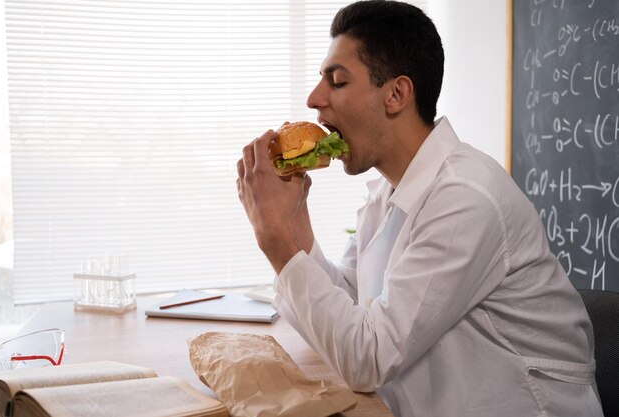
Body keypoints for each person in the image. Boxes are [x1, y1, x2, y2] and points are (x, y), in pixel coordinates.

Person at [236, 1, 603, 416]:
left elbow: (366, 360)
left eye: (336, 81)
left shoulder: (465, 197)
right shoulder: (388, 193)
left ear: (396, 94)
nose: (314, 98)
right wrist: (292, 222)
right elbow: (352, 309)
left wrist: (275, 239)